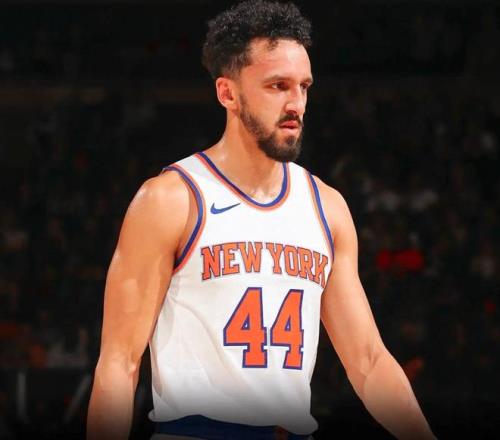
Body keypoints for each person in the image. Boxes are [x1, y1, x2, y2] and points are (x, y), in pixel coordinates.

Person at [87, 1, 436, 439]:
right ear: (228, 94)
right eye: (277, 86)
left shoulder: (327, 207)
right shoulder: (170, 199)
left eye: (304, 87)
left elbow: (368, 361)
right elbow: (119, 363)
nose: (296, 103)